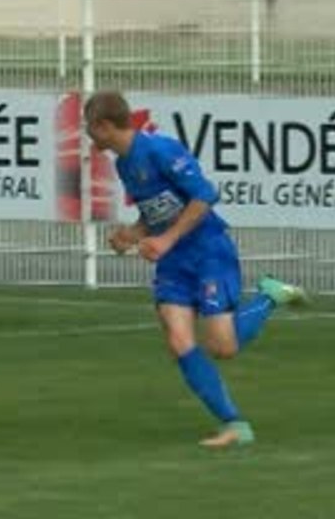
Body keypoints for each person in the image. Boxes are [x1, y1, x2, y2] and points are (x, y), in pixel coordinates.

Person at [84, 91, 307, 448]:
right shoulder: (124, 165)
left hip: (208, 251)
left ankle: (269, 296)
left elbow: (203, 196)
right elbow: (158, 211)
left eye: (90, 127)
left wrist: (166, 240)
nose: (87, 134)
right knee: (178, 340)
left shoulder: (160, 150)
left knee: (223, 347)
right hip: (174, 262)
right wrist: (132, 234)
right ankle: (234, 425)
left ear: (105, 126)